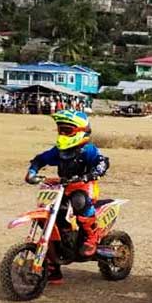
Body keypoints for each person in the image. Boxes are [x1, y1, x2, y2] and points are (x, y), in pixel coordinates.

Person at [25, 110, 110, 283]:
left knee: (80, 201)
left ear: (80, 131)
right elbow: (41, 159)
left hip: (84, 186)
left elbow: (103, 162)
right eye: (60, 130)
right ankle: (55, 263)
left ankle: (91, 236)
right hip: (63, 187)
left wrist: (92, 174)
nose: (63, 134)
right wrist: (32, 171)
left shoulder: (87, 150)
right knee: (50, 216)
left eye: (67, 131)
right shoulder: (59, 151)